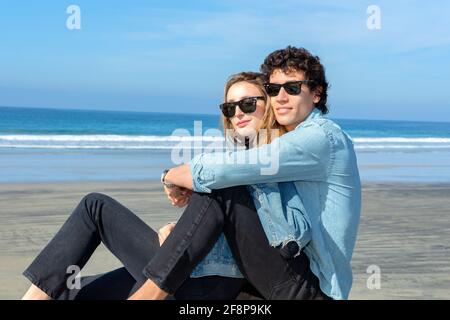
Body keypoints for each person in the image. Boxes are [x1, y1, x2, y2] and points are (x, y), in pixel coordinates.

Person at [21, 72, 288, 300]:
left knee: (95, 207)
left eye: (248, 103)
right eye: (230, 108)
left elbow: (253, 237)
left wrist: (170, 180)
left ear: (271, 105)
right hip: (190, 268)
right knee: (70, 289)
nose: (238, 112)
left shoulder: (273, 159)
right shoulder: (242, 159)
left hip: (206, 281)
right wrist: (178, 233)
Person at [129, 46, 361, 300]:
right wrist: (182, 230)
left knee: (224, 185)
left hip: (313, 289)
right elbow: (249, 224)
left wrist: (171, 175)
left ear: (316, 93)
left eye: (293, 88)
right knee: (94, 215)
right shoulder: (287, 142)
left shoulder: (319, 138)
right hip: (270, 281)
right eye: (274, 90)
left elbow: (224, 172)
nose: (281, 97)